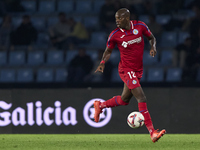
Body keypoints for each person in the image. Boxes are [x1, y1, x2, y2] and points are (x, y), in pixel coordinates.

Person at [93, 8, 166, 143]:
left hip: (138, 70)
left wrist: (153, 47)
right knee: (141, 97)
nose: (117, 21)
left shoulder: (140, 26)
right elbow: (108, 51)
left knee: (124, 100)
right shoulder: (114, 34)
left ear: (127, 18)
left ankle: (100, 105)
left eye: (119, 18)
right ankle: (152, 132)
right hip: (126, 69)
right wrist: (102, 62)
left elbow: (152, 38)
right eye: (116, 19)